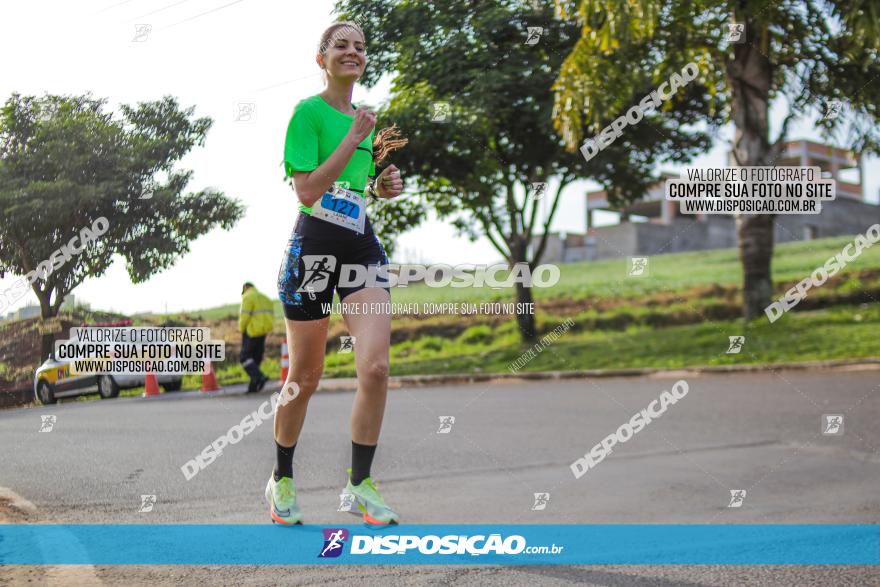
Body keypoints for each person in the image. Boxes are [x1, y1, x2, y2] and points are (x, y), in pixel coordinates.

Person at [265, 21, 406, 526]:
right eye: (341, 45)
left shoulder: (363, 121)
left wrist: (382, 184)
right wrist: (354, 137)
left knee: (376, 367)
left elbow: (352, 186)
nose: (353, 52)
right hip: (313, 251)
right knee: (305, 376)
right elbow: (308, 190)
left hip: (360, 249)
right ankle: (281, 477)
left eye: (361, 47)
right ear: (321, 58)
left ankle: (359, 483)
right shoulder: (309, 114)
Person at [239, 282, 273, 393]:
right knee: (255, 359)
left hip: (251, 331)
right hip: (263, 332)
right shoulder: (265, 298)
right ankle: (253, 387)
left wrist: (241, 329)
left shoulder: (247, 296)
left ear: (246, 288)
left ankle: (260, 376)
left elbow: (244, 316)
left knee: (244, 358)